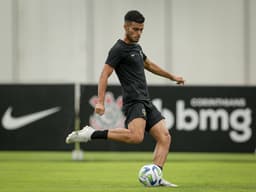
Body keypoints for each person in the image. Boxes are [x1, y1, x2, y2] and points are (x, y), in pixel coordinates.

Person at [66, 10, 185, 187]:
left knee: (165, 137)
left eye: (141, 30)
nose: (138, 33)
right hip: (133, 100)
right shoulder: (118, 49)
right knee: (136, 137)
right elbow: (104, 75)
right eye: (135, 29)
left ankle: (156, 175)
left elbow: (149, 64)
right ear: (126, 27)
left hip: (145, 100)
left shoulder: (137, 47)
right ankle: (91, 133)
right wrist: (100, 101)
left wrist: (172, 76)